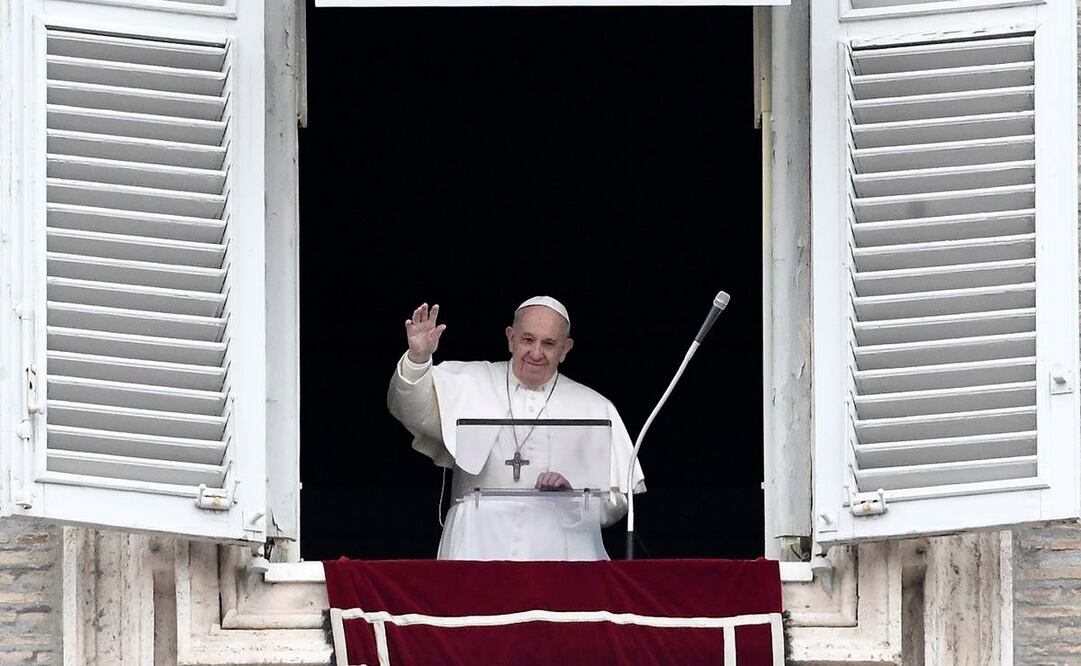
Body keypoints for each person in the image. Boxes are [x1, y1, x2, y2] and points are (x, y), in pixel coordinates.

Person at [387, 296, 645, 561]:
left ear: (565, 349)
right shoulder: (469, 381)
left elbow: (617, 500)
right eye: (527, 339)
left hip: (562, 553)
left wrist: (574, 496)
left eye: (548, 343)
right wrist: (418, 359)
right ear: (510, 338)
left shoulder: (594, 406)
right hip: (476, 547)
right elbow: (408, 409)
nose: (535, 352)